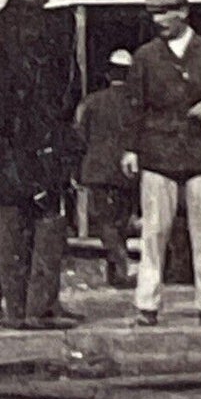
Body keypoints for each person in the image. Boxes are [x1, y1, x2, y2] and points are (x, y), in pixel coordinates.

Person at [0, 0, 81, 331]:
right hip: (38, 140)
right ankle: (37, 306)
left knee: (1, 224)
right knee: (46, 221)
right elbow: (58, 92)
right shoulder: (49, 30)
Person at [122, 0, 201, 327]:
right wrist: (131, 148)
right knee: (154, 232)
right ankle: (147, 304)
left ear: (184, 12)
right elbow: (134, 107)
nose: (159, 20)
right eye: (153, 14)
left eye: (164, 13)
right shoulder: (145, 56)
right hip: (158, 155)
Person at [75, 49, 137, 289]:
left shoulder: (91, 102)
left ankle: (121, 266)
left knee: (105, 222)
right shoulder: (135, 103)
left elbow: (79, 136)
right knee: (120, 222)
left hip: (97, 170)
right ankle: (118, 273)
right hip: (126, 171)